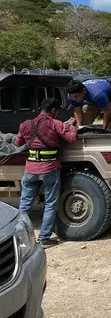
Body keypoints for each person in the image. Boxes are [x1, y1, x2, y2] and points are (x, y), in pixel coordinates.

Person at [16, 97, 78, 246]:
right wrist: (71, 126)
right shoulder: (55, 123)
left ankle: (16, 237)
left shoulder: (25, 124)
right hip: (49, 169)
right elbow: (71, 138)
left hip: (30, 170)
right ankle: (44, 238)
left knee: (24, 206)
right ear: (53, 111)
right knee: (50, 204)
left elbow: (19, 143)